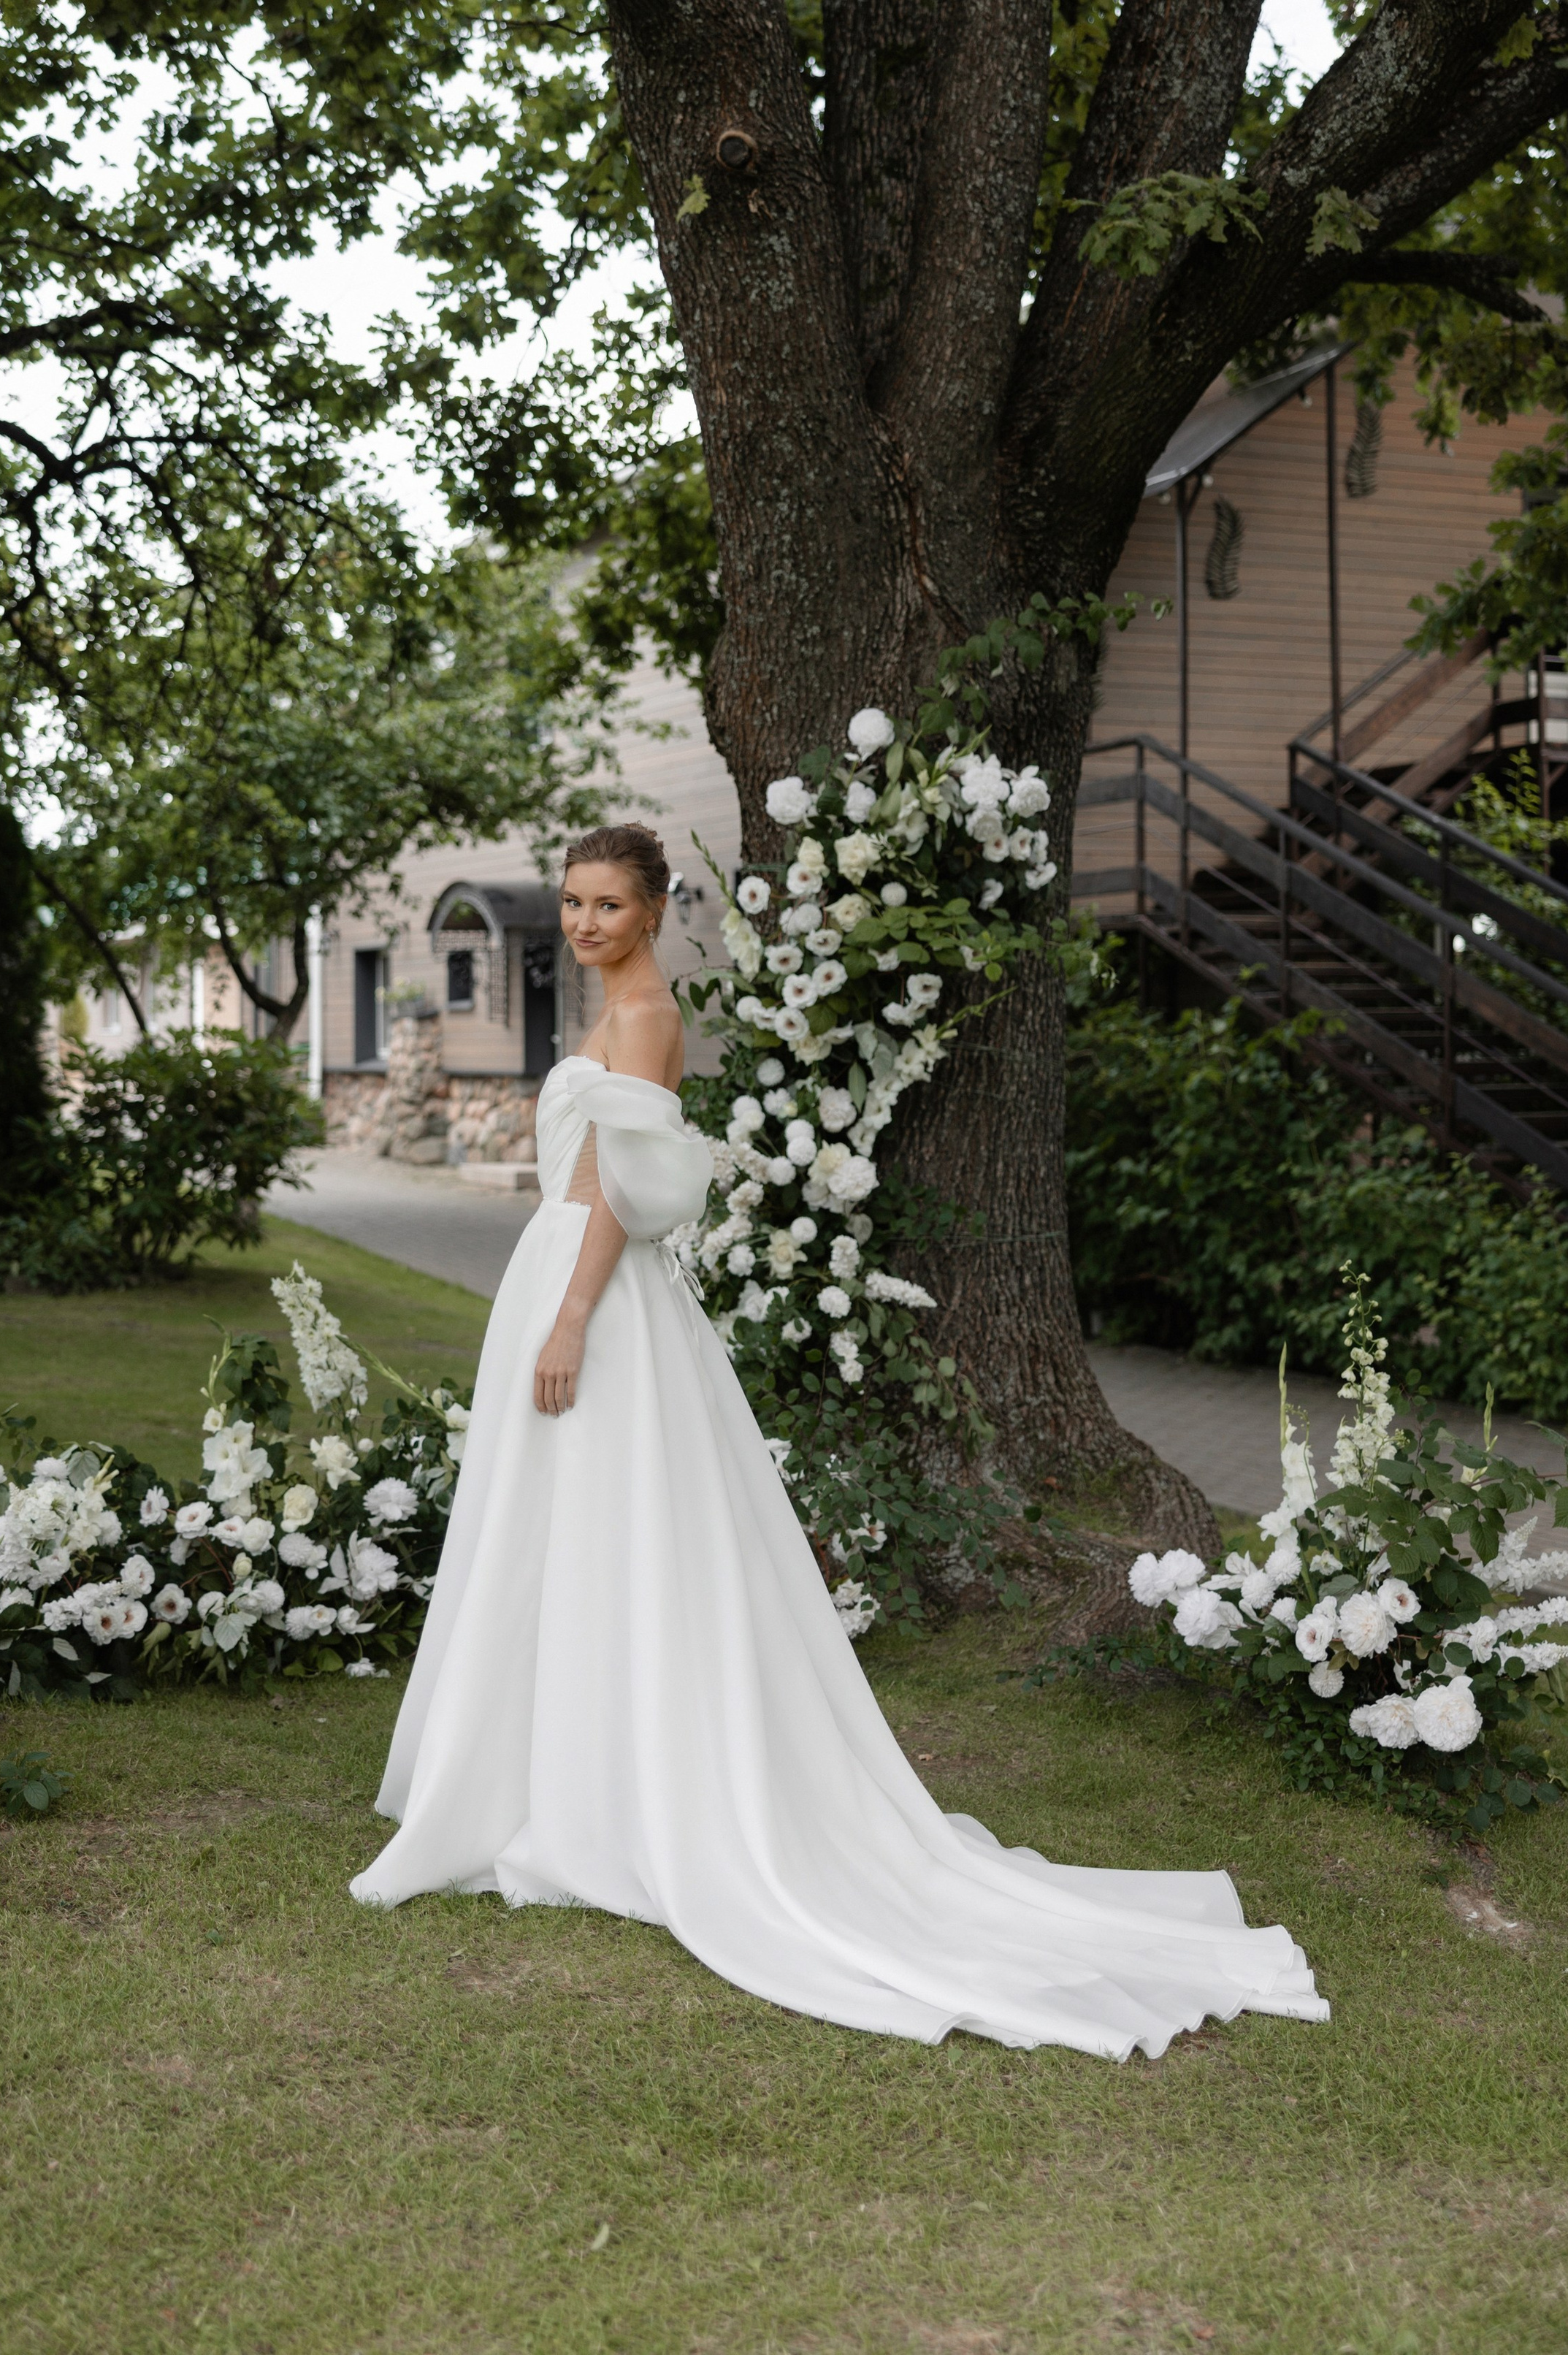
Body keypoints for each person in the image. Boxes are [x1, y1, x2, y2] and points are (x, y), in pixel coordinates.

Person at [351, 823, 1328, 2056]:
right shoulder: (616, 1005)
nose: (587, 922)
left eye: (609, 904)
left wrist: (571, 1319)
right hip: (562, 1275)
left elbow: (616, 1190)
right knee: (561, 1530)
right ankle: (546, 1777)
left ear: (652, 913)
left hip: (595, 1295)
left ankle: (611, 1795)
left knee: (613, 1528)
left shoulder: (647, 1016)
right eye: (574, 901)